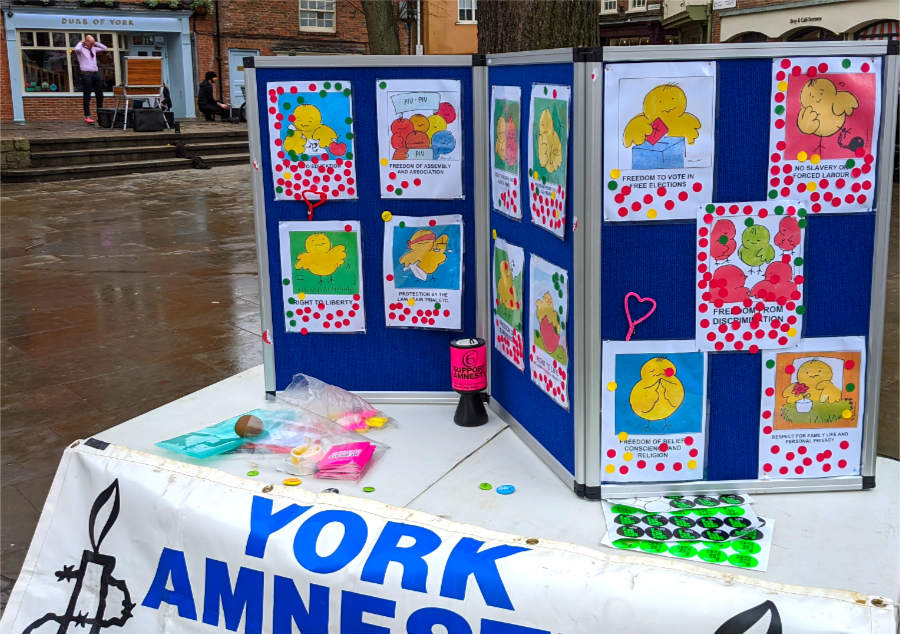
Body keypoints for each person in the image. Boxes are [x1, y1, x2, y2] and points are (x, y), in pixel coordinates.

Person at [73, 35, 108, 124]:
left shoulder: (93, 49)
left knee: (100, 94)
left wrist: (95, 42)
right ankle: (87, 116)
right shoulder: (81, 50)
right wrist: (81, 42)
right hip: (86, 74)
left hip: (95, 73)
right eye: (91, 43)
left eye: (93, 43)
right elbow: (76, 49)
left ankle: (100, 115)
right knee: (87, 95)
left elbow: (105, 48)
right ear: (86, 42)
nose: (92, 45)